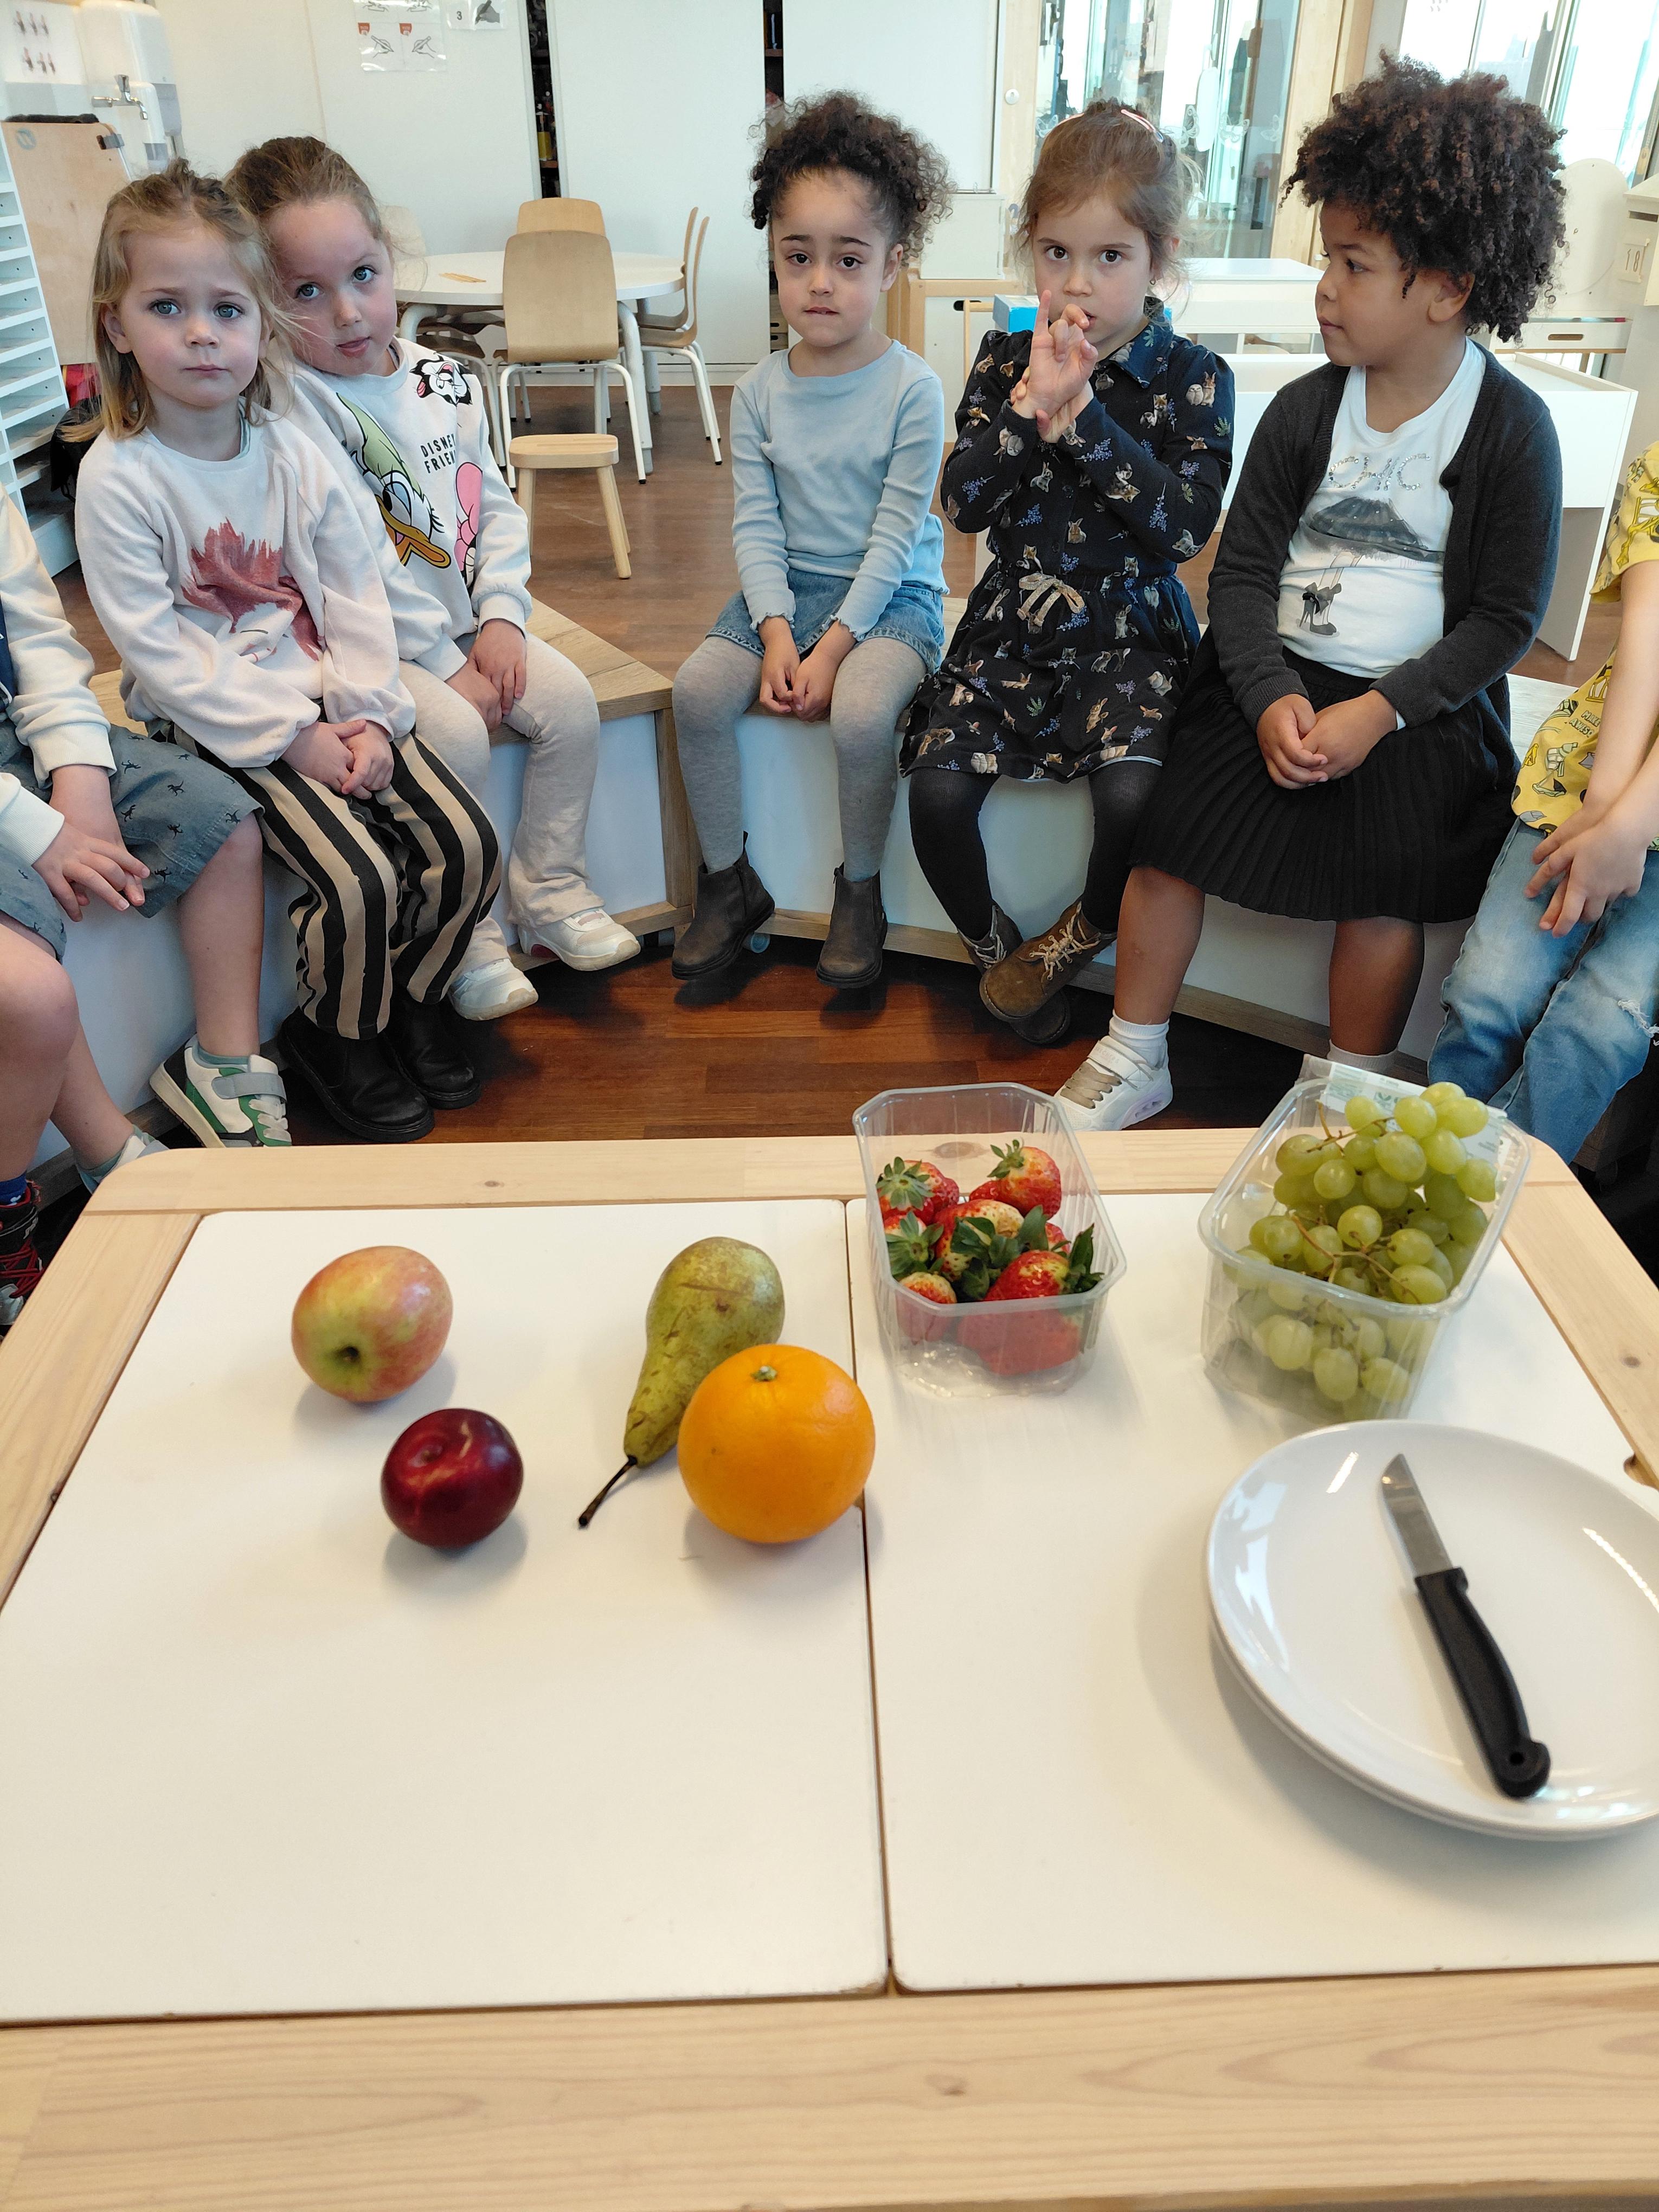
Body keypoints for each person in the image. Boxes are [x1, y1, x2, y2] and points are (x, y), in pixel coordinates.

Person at [1054, 59, 1565, 1128]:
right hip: (1272, 678)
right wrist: (1268, 693)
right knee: (1165, 840)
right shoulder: (1303, 409)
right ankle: (1135, 1052)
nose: (1324, 289)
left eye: (1353, 265)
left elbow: (1504, 620)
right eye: (1328, 259)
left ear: (1448, 287)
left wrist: (1378, 713)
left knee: (1387, 887)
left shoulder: (1512, 429)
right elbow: (1241, 572)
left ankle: (1349, 1088)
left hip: (1417, 710)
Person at [73, 162, 500, 1144]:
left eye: (226, 309)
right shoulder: (120, 478)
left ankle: (412, 1003)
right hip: (221, 723)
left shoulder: (290, 448)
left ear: (260, 325)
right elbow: (164, 655)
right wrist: (296, 738)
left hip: (334, 703)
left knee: (466, 843)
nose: (201, 334)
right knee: (357, 878)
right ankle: (337, 1036)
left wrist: (368, 713)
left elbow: (355, 589)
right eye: (167, 307)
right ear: (115, 325)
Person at [226, 136, 636, 1023]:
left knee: (570, 707)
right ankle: (472, 934)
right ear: (261, 299)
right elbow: (353, 562)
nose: (347, 312)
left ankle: (551, 890)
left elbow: (494, 506)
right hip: (374, 645)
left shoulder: (442, 377)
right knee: (453, 737)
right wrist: (447, 663)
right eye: (306, 292)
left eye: (363, 275)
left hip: (468, 622)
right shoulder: (294, 406)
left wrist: (504, 617)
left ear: (389, 258)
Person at [902, 100, 1232, 1045]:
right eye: (1056, 254)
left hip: (1131, 633)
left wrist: (1081, 416)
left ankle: (1076, 938)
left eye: (1110, 256)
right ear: (1031, 250)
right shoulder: (1005, 357)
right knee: (935, 794)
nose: (1078, 283)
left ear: (1160, 257)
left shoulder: (1195, 376)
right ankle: (997, 950)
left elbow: (1181, 528)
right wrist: (1026, 409)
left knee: (1135, 797)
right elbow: (964, 505)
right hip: (1011, 625)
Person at [670, 92, 950, 991]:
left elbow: (895, 539)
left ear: (892, 264)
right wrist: (778, 631)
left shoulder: (914, 390)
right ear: (775, 259)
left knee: (863, 714)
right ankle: (729, 883)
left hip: (893, 599)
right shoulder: (756, 392)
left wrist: (830, 649)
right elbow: (755, 524)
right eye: (799, 258)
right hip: (788, 589)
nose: (821, 281)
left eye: (848, 259)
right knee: (695, 693)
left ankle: (859, 893)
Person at [0, 493, 290, 1324]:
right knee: (33, 989)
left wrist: (78, 776)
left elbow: (37, 637)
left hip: (18, 737)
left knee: (220, 825)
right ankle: (104, 1159)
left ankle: (223, 1069)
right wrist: (38, 829)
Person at [1430, 444, 1659, 1160]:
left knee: (1598, 1028)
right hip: (1594, 769)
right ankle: (1433, 1176)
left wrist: (1630, 824)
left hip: (1636, 808)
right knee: (1486, 996)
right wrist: (1606, 802)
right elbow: (1649, 632)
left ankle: (1505, 1198)